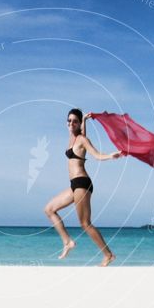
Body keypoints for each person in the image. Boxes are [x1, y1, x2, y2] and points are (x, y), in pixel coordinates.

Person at [43, 108, 123, 266]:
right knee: (49, 209)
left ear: (78, 123)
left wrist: (110, 155)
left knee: (85, 223)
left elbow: (96, 154)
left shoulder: (81, 140)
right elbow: (80, 135)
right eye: (69, 120)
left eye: (75, 121)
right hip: (74, 185)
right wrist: (84, 121)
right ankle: (67, 242)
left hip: (82, 182)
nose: (71, 123)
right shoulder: (72, 138)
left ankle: (108, 255)